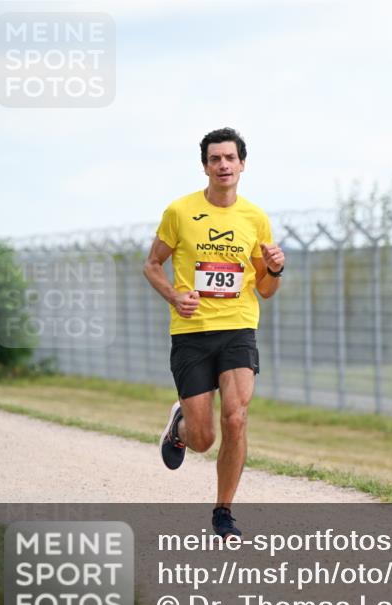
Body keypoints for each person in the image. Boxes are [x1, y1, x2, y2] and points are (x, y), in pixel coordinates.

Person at [143, 127, 285, 539]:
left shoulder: (255, 217)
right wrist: (174, 296)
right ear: (205, 166)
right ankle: (181, 425)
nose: (223, 165)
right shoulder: (179, 212)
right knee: (203, 439)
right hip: (192, 331)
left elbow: (266, 289)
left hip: (239, 326)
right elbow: (152, 264)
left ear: (242, 164)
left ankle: (224, 512)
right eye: (214, 159)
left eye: (230, 158)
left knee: (237, 417)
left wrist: (274, 268)